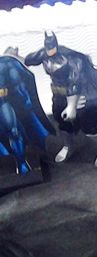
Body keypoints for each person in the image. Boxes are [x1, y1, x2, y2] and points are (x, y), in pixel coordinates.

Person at [25, 32, 97, 167]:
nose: (50, 56)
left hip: (77, 96)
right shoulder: (43, 55)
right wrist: (13, 58)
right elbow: (28, 60)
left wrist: (71, 105)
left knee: (85, 122)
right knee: (60, 120)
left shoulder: (73, 60)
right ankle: (68, 145)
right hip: (58, 95)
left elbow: (74, 83)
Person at [0, 47, 53, 175]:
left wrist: (25, 100)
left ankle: (22, 163)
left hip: (3, 102)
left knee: (13, 131)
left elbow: (18, 82)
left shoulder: (6, 64)